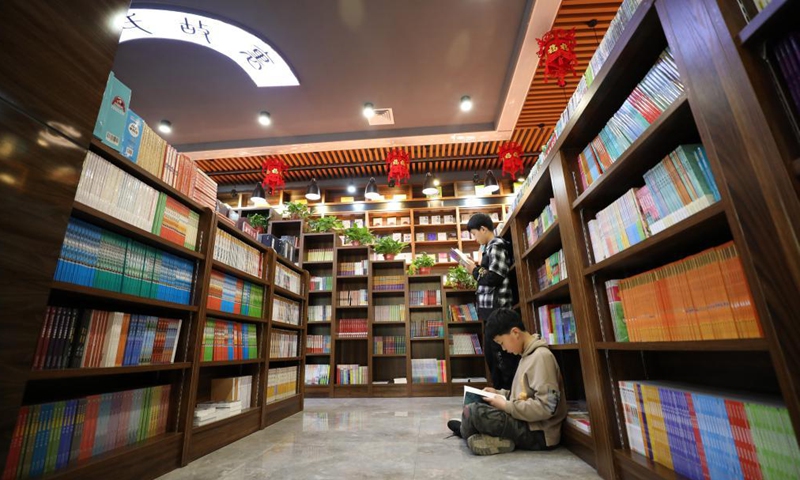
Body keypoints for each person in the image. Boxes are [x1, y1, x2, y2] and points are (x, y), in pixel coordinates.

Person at [447, 308, 567, 455]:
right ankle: (481, 435)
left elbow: (547, 407)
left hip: (539, 433)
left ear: (515, 333)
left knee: (474, 412)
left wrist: (506, 406)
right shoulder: (526, 356)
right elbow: (523, 394)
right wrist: (499, 393)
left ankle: (469, 431)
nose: (503, 349)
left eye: (502, 343)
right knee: (476, 406)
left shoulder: (541, 357)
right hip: (526, 423)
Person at [462, 213, 518, 389]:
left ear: (483, 229)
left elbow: (494, 276)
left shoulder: (496, 246)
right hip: (491, 310)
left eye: (474, 233)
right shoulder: (487, 248)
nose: (474, 238)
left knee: (499, 356)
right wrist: (475, 269)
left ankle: (505, 393)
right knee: (492, 355)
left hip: (498, 308)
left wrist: (474, 270)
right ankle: (500, 393)